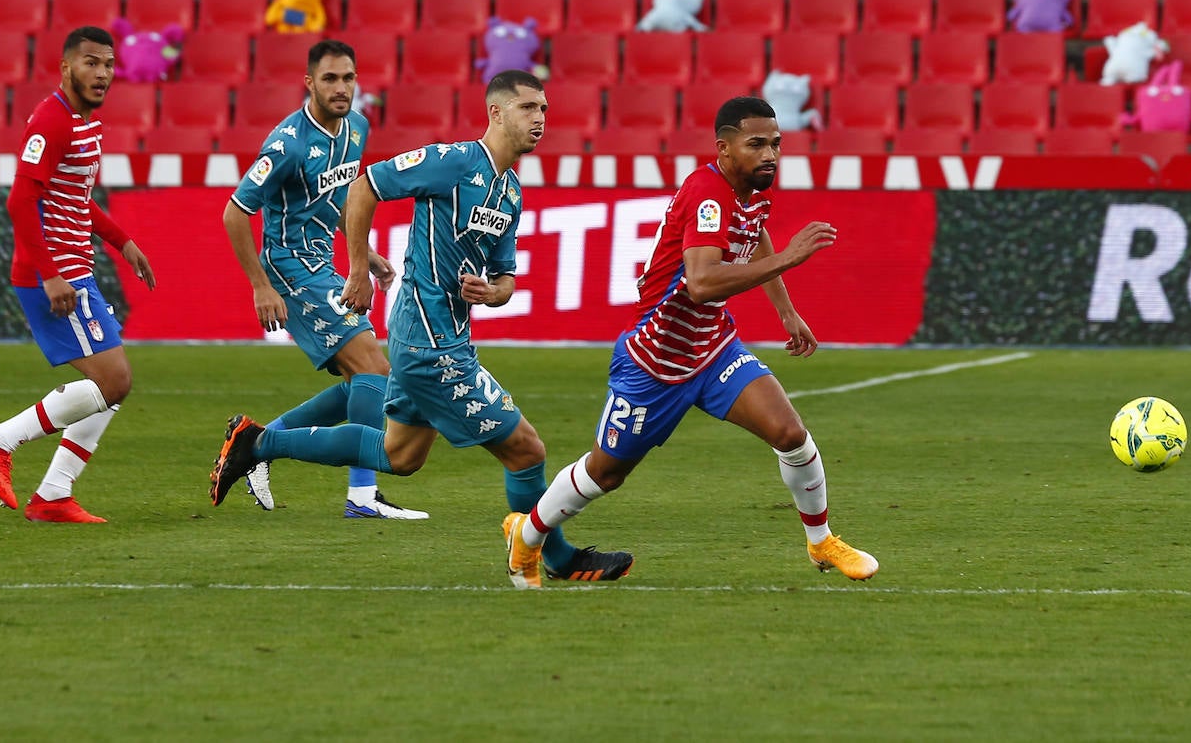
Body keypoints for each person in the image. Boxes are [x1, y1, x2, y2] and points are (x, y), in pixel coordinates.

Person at [210, 70, 632, 586]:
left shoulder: (510, 192)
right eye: (527, 108)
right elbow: (364, 187)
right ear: (496, 113)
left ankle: (258, 443)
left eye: (544, 108)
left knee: (400, 455)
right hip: (430, 346)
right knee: (527, 450)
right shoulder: (452, 161)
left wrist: (492, 292)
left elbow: (506, 279)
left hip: (445, 338)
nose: (539, 118)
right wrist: (358, 269)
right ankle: (557, 557)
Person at [504, 96, 879, 585]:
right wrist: (789, 258)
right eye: (756, 144)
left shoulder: (751, 189)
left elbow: (755, 234)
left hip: (714, 348)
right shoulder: (708, 194)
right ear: (723, 148)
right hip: (656, 360)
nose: (770, 154)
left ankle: (821, 541)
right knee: (606, 472)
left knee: (790, 434)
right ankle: (528, 536)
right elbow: (701, 283)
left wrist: (786, 311)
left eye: (775, 144)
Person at [215, 38, 426, 520]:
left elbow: (334, 200)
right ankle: (362, 495)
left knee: (364, 379)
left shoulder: (357, 128)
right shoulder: (287, 144)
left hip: (323, 263)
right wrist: (261, 285)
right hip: (290, 269)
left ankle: (256, 443)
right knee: (374, 369)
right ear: (309, 82)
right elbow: (234, 212)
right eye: (330, 78)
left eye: (348, 78)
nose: (341, 87)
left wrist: (363, 254)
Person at [0, 26, 157, 524]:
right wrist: (50, 275)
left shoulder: (83, 122)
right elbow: (20, 200)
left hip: (74, 267)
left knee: (111, 385)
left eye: (108, 64)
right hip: (54, 272)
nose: (102, 73)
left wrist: (122, 241)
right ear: (66, 68)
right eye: (91, 63)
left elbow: (74, 198)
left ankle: (53, 494)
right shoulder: (51, 121)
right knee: (114, 380)